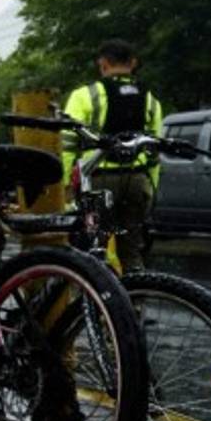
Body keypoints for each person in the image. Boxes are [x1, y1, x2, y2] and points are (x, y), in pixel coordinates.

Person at [61, 39, 163, 272]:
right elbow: (154, 149)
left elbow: (67, 143)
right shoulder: (150, 99)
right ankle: (135, 292)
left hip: (98, 180)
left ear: (103, 63)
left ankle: (97, 293)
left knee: (94, 248)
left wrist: (65, 184)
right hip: (137, 178)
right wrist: (151, 187)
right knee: (131, 250)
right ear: (133, 63)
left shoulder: (85, 95)